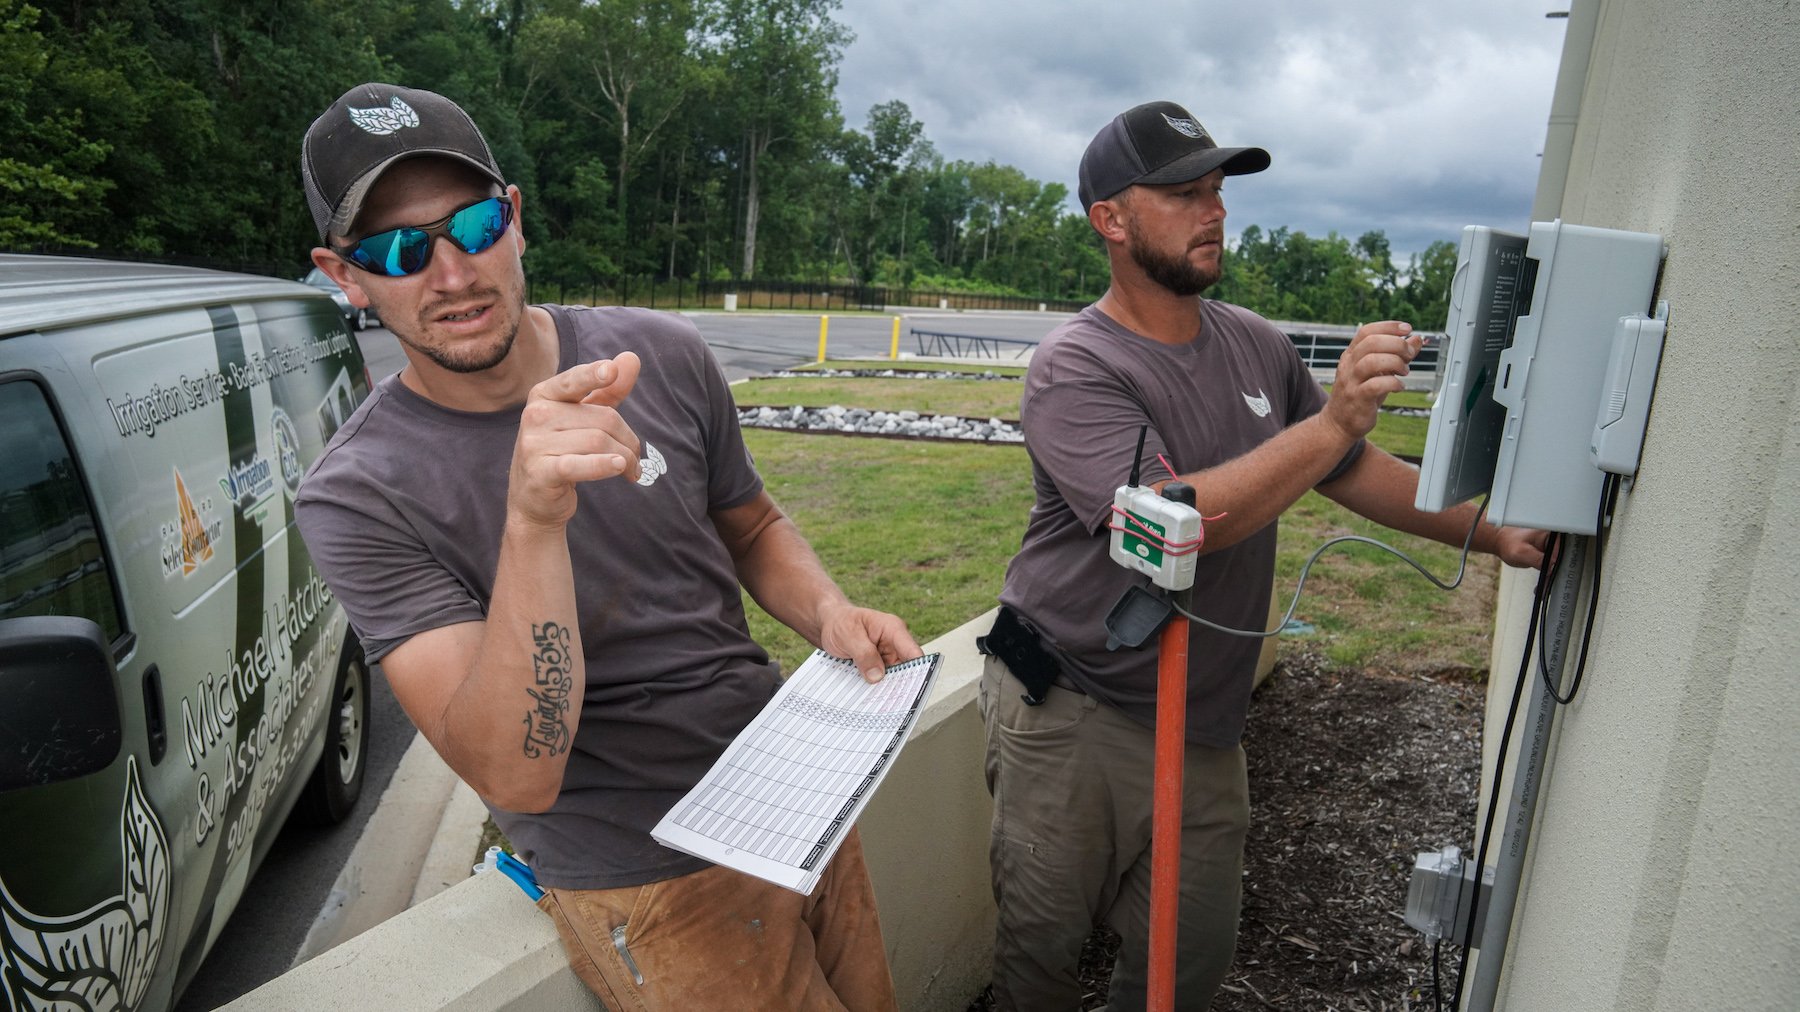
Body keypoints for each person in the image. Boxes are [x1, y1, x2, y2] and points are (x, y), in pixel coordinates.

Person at [294, 82, 917, 1011]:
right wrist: (533, 519)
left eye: (469, 226)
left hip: (794, 792)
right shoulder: (357, 492)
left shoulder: (660, 352)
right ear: (345, 276)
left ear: (513, 220)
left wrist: (828, 610)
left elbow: (749, 522)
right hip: (647, 873)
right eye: (394, 249)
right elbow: (515, 772)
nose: (452, 274)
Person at [977, 100, 1548, 1011]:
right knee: (1040, 958)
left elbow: (1349, 466)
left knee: (1184, 967)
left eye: (1217, 192)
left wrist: (1491, 532)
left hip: (1203, 721)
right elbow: (1169, 526)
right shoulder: (1076, 366)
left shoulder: (1256, 343)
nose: (1215, 211)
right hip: (1073, 708)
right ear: (1111, 221)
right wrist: (1328, 424)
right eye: (1184, 195)